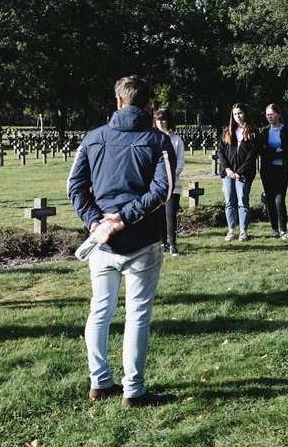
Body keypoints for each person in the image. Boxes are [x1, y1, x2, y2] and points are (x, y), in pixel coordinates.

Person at [68, 75, 176, 407]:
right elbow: (164, 191)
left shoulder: (93, 137)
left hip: (104, 239)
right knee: (137, 315)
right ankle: (134, 389)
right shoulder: (159, 140)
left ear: (117, 101)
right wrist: (117, 220)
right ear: (146, 103)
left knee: (99, 311)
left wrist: (98, 221)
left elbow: (75, 189)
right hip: (139, 240)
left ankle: (100, 382)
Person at [217, 103, 261, 242]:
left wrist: (240, 172)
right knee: (230, 201)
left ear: (245, 113)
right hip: (228, 173)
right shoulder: (227, 132)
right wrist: (227, 169)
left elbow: (252, 155)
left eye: (240, 113)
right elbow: (221, 152)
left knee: (242, 201)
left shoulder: (253, 132)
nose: (238, 116)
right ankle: (231, 231)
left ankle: (243, 231)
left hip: (244, 174)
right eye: (235, 114)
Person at [260, 103, 288, 241]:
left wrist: (271, 152)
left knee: (279, 200)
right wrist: (277, 151)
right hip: (267, 170)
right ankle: (274, 229)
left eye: (272, 114)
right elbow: (262, 151)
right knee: (270, 200)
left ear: (279, 115)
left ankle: (283, 231)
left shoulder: (286, 130)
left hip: (281, 169)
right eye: (267, 114)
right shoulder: (264, 131)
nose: (269, 117)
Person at [154, 108, 186, 256]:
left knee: (170, 213)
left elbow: (180, 161)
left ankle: (173, 244)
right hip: (156, 184)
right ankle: (162, 243)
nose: (160, 122)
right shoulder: (153, 138)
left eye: (163, 119)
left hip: (173, 183)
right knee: (159, 214)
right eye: (158, 119)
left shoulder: (176, 140)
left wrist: (170, 175)